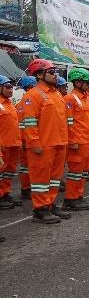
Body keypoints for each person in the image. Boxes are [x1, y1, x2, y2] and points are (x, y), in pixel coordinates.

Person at [17, 59, 71, 223]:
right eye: (52, 72)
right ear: (40, 75)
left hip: (59, 143)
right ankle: (40, 210)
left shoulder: (56, 95)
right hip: (43, 145)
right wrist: (34, 143)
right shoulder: (33, 95)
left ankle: (50, 204)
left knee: (54, 179)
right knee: (41, 179)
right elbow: (29, 122)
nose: (56, 76)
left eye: (55, 72)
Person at [61, 68, 89, 211]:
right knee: (75, 172)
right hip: (79, 142)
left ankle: (78, 196)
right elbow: (68, 122)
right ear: (78, 82)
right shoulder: (70, 99)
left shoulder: (85, 99)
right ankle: (71, 198)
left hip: (88, 140)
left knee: (82, 172)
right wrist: (72, 141)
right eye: (87, 82)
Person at [0, 75, 22, 211]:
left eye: (11, 87)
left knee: (9, 172)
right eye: (7, 86)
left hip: (13, 145)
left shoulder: (10, 105)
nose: (11, 89)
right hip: (2, 145)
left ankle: (5, 193)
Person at [15, 76, 37, 200]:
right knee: (25, 166)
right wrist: (24, 141)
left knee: (30, 166)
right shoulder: (24, 103)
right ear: (29, 87)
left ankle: (29, 187)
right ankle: (25, 188)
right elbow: (22, 125)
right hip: (26, 140)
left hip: (28, 139)